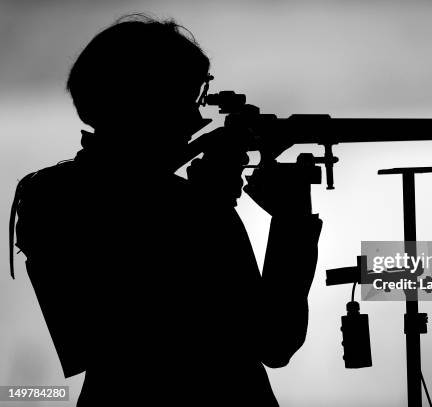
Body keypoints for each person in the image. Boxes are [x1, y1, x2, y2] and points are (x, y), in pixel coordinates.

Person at [10, 14, 322, 406]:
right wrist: (288, 219)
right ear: (142, 102)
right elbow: (275, 340)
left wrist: (205, 202)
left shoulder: (51, 194)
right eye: (183, 99)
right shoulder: (177, 203)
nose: (195, 119)